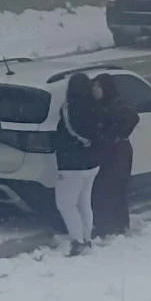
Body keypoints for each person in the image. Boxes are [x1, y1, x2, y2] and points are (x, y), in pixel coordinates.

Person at [55, 73, 102, 256]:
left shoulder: (69, 109)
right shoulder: (95, 106)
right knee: (84, 203)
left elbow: (62, 134)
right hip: (91, 162)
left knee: (65, 204)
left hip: (72, 163)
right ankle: (87, 239)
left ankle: (77, 241)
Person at [91, 74, 139, 238]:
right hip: (107, 151)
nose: (94, 90)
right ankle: (109, 224)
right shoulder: (97, 106)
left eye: (97, 87)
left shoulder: (116, 104)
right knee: (104, 188)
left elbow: (133, 118)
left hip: (119, 152)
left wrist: (117, 135)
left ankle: (118, 224)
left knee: (116, 187)